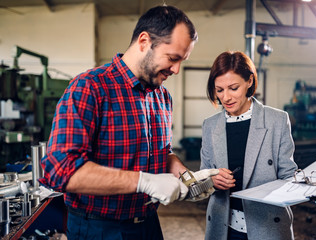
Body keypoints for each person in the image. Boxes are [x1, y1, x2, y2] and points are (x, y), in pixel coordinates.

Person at [39, 5, 218, 240]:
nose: (176, 69)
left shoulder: (162, 96)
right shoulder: (90, 87)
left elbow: (162, 152)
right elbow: (61, 171)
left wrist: (184, 175)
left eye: (182, 61)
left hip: (149, 224)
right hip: (98, 228)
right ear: (144, 41)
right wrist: (143, 181)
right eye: (173, 58)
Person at [200, 51, 298, 240]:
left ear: (249, 81)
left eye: (233, 88)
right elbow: (202, 177)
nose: (226, 97)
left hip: (267, 226)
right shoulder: (210, 125)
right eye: (219, 90)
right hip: (223, 228)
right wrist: (211, 180)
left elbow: (288, 176)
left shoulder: (276, 120)